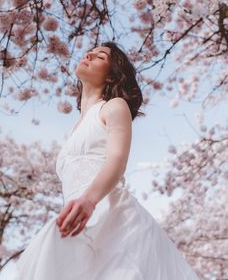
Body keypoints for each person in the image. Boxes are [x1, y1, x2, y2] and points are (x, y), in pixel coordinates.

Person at [14, 42, 200, 279]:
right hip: (78, 222)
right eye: (89, 52)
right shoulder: (75, 126)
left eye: (101, 56)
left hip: (113, 219)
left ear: (112, 76)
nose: (89, 54)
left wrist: (89, 201)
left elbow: (116, 159)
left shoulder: (114, 106)